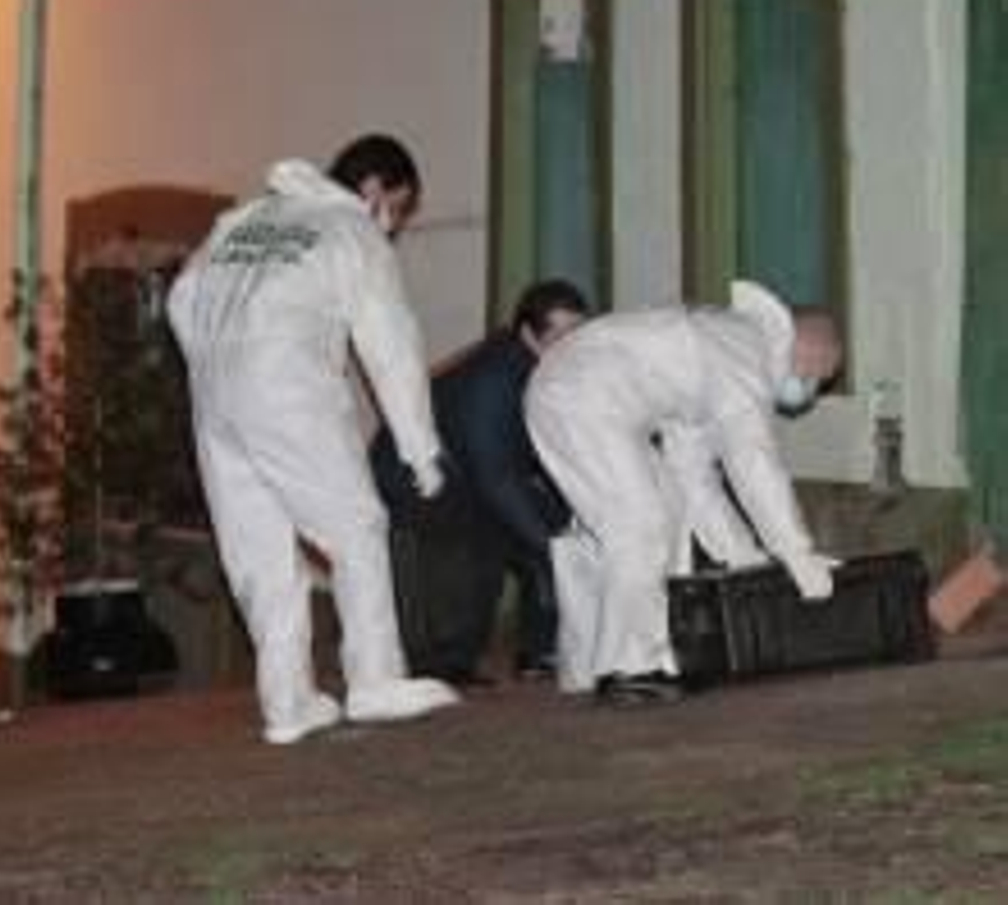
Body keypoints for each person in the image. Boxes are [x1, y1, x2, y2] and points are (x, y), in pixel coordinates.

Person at [167, 133, 460, 746]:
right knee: (355, 526)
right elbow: (391, 348)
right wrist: (421, 452)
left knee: (260, 551)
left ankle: (287, 702)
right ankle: (376, 680)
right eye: (399, 208)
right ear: (375, 188)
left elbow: (181, 298)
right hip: (287, 384)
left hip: (215, 393)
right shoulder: (353, 232)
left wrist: (216, 363)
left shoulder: (244, 221)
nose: (396, 225)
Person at [523, 280, 844, 706]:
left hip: (584, 398)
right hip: (578, 398)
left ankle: (593, 665)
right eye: (814, 375)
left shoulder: (719, 351)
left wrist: (747, 562)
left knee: (664, 513)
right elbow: (754, 462)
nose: (808, 389)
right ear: (807, 346)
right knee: (639, 525)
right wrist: (796, 551)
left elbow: (696, 480)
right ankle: (627, 668)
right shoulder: (744, 353)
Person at [372, 280, 589, 686]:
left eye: (579, 334)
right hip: (411, 471)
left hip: (471, 470)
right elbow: (497, 477)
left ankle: (541, 651)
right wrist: (550, 545)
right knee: (483, 547)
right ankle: (443, 664)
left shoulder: (556, 369)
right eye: (561, 336)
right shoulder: (496, 379)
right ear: (528, 335)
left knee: (553, 533)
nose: (574, 346)